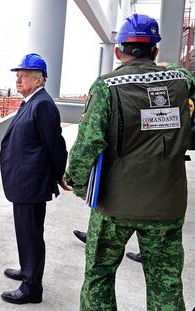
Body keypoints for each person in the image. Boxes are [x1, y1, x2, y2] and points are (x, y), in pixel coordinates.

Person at [65, 14, 195, 310]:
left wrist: (78, 183)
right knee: (166, 282)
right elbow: (184, 76)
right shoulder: (181, 80)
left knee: (99, 276)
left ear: (117, 51)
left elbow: (88, 144)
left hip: (114, 205)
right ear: (156, 51)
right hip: (167, 203)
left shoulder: (106, 86)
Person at [0, 53, 70, 304]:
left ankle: (32, 287)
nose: (18, 80)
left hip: (31, 183)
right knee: (25, 230)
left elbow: (56, 145)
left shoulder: (43, 104)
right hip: (24, 182)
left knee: (31, 232)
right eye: (17, 76)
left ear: (39, 79)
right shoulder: (30, 101)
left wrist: (59, 174)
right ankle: (26, 268)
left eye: (24, 76)